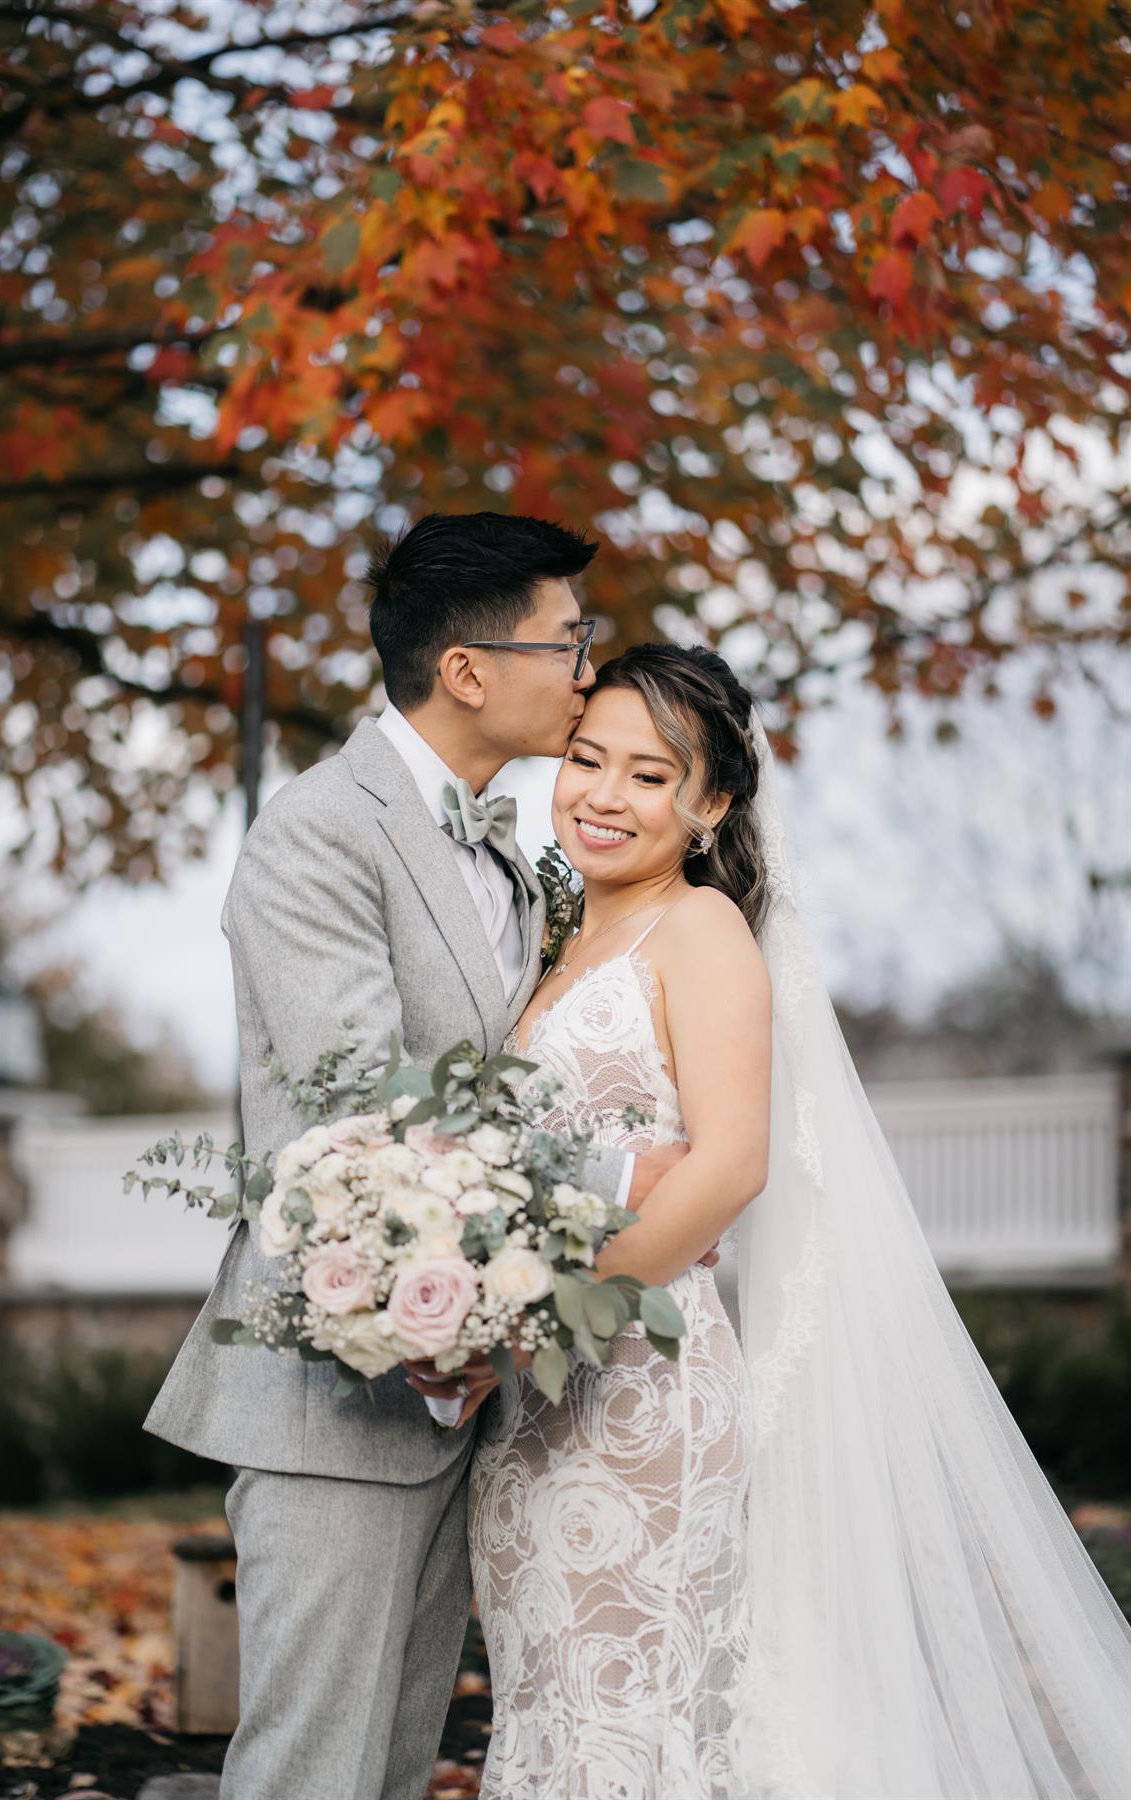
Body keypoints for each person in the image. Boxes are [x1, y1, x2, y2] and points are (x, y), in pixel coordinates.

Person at [457, 644, 1131, 1798]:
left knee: (637, 1727)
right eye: (585, 759)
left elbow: (731, 1166)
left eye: (649, 775)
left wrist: (552, 1323)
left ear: (713, 803)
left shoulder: (701, 931)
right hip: (527, 1411)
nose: (604, 795)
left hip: (637, 1393)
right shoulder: (551, 938)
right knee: (553, 1711)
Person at [145, 514, 708, 1800]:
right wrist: (617, 1181)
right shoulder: (319, 832)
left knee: (394, 1769)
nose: (587, 673)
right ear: (466, 670)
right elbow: (368, 1106)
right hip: (335, 1394)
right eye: (568, 644)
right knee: (311, 1771)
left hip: (466, 1390)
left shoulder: (509, 848)